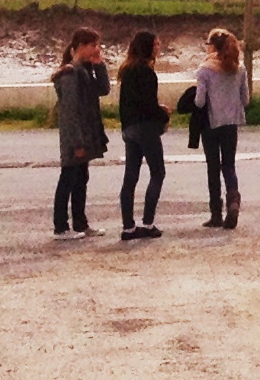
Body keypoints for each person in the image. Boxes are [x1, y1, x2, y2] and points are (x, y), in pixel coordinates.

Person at [50, 28, 110, 237]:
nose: (97, 49)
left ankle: (80, 223)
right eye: (93, 45)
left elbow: (103, 89)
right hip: (75, 136)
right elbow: (71, 111)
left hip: (85, 133)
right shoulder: (70, 73)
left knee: (81, 178)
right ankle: (61, 226)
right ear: (81, 46)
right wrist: (77, 143)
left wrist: (99, 65)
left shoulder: (84, 69)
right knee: (68, 178)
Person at [186, 27, 248, 229]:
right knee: (229, 165)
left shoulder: (205, 70)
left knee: (213, 167)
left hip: (211, 124)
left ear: (212, 47)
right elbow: (246, 100)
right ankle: (233, 200)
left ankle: (216, 214)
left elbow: (200, 101)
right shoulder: (239, 69)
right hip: (231, 123)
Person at [116, 30, 170, 239]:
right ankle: (148, 223)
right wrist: (164, 114)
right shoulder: (147, 72)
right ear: (148, 47)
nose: (158, 48)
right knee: (157, 172)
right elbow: (148, 105)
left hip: (129, 128)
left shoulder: (127, 71)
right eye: (156, 44)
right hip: (145, 128)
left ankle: (128, 227)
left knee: (131, 177)